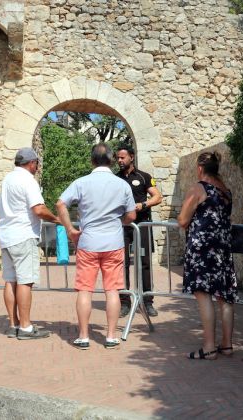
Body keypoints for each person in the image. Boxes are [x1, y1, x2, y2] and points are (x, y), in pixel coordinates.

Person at [56, 143, 136, 350]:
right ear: (111, 160)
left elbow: (60, 204)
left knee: (84, 290)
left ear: (92, 160)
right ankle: (110, 336)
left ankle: (83, 336)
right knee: (112, 290)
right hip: (114, 243)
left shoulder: (81, 183)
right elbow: (131, 215)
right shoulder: (122, 185)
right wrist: (120, 223)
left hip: (88, 242)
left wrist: (70, 230)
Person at [177, 151, 237, 360]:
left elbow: (183, 220)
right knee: (224, 295)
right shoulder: (225, 191)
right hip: (222, 248)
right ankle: (227, 345)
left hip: (202, 248)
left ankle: (209, 347)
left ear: (200, 168)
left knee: (203, 294)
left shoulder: (199, 188)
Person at [0, 147, 60, 340]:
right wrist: (57, 219)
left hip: (6, 235)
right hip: (23, 235)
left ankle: (13, 324)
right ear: (32, 163)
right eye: (37, 164)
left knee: (10, 280)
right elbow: (39, 209)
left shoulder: (7, 179)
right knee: (25, 281)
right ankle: (25, 327)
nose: (37, 167)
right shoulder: (28, 180)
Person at [115, 145, 163, 317]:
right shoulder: (115, 178)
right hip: (123, 227)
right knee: (122, 263)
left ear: (132, 157)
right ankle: (125, 302)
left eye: (122, 157)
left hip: (142, 224)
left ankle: (147, 301)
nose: (119, 161)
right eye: (118, 158)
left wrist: (143, 205)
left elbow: (157, 197)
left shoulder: (144, 177)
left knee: (144, 262)